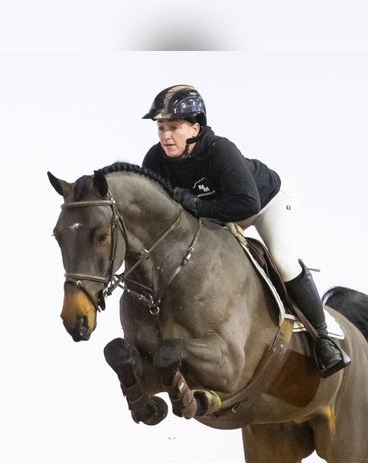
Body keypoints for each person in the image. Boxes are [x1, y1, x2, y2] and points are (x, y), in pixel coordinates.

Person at [139, 84, 348, 377]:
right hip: (221, 213)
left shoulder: (219, 151)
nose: (165, 136)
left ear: (196, 129)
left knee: (282, 259)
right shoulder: (155, 160)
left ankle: (323, 339)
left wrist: (197, 206)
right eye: (160, 128)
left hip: (266, 204)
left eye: (173, 127)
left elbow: (246, 204)